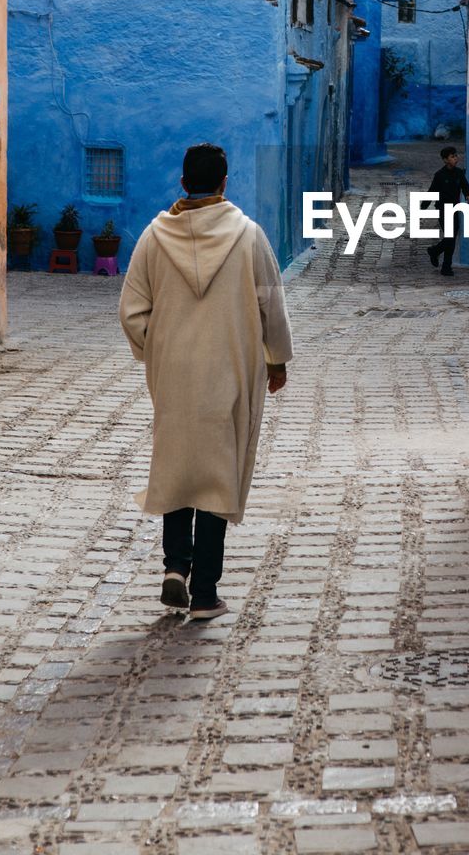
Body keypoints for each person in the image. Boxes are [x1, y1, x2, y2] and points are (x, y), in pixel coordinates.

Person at [119, 143, 292, 620]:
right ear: (224, 183)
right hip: (229, 374)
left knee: (177, 469)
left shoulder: (154, 239)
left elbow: (132, 313)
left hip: (175, 377)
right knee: (217, 477)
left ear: (182, 184)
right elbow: (271, 306)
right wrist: (276, 361)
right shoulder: (249, 237)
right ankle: (205, 593)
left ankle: (175, 567)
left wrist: (159, 350)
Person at [426, 145, 469, 277]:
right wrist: (423, 207)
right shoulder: (439, 175)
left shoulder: (459, 173)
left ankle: (435, 251)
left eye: (456, 156)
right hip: (443, 209)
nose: (455, 158)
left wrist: (468, 195)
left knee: (451, 238)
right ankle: (446, 266)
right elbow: (432, 192)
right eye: (452, 156)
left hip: (455, 209)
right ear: (445, 160)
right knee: (450, 238)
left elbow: (465, 186)